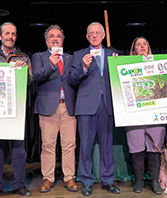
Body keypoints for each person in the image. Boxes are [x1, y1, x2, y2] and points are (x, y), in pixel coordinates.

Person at [69, 22, 120, 196]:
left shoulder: (114, 55)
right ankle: (86, 180)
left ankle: (108, 180)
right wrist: (83, 67)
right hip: (86, 106)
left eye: (98, 33)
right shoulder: (79, 55)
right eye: (91, 33)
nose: (95, 35)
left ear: (103, 35)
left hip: (106, 105)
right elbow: (71, 80)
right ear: (87, 36)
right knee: (86, 146)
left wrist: (117, 65)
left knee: (107, 146)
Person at [0, 22, 32, 198]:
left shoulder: (24, 57)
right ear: (0, 36)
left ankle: (19, 185)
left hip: (17, 110)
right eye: (6, 33)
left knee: (19, 151)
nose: (10, 36)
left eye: (13, 34)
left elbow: (29, 83)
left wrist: (23, 71)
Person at [31, 25, 78, 193]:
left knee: (69, 145)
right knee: (48, 145)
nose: (55, 38)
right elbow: (35, 76)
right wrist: (51, 65)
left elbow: (74, 79)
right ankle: (48, 178)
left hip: (68, 107)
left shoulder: (71, 58)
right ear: (46, 40)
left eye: (59, 36)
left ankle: (69, 178)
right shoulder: (39, 56)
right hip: (47, 107)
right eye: (52, 36)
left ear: (63, 40)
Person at [125, 36, 165, 195]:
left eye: (144, 44)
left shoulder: (158, 64)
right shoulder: (125, 66)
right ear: (133, 50)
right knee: (136, 149)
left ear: (148, 48)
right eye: (138, 45)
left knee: (154, 148)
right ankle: (139, 181)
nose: (142, 47)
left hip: (155, 112)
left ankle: (154, 181)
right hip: (132, 114)